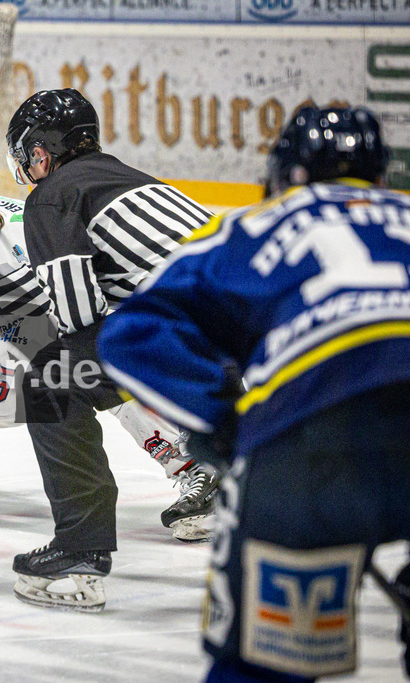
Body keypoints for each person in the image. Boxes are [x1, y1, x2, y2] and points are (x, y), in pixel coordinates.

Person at [97, 105, 410, 681]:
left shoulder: (258, 222)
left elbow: (131, 335)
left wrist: (223, 423)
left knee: (259, 666)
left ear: (284, 174)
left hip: (314, 437)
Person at [0, 89, 217, 609]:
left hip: (189, 341)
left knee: (54, 381)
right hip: (243, 331)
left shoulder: (47, 204)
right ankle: (233, 466)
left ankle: (98, 536)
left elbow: (69, 330)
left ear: (40, 156)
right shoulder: (119, 178)